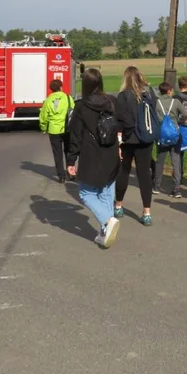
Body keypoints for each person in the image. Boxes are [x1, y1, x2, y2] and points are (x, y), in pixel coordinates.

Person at [65, 68, 121, 248]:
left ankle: (107, 221)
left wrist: (71, 160)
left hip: (91, 152)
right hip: (111, 150)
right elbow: (121, 125)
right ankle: (105, 232)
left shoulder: (81, 106)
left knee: (85, 193)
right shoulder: (112, 101)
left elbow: (75, 136)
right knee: (105, 191)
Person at [114, 66, 157, 226]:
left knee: (124, 171)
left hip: (128, 139)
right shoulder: (149, 94)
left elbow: (119, 120)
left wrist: (119, 140)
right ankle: (147, 212)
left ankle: (118, 205)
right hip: (146, 139)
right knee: (144, 174)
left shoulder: (123, 96)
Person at [153, 82, 187, 198]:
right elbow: (185, 114)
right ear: (169, 91)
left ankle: (157, 186)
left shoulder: (156, 103)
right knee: (176, 160)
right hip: (175, 134)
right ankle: (177, 188)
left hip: (161, 135)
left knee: (160, 160)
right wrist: (178, 121)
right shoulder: (176, 102)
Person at [38, 79, 74, 183]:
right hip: (67, 128)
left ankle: (61, 176)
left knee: (57, 153)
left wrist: (43, 128)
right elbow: (73, 111)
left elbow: (43, 117)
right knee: (68, 151)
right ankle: (70, 172)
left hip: (54, 130)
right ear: (61, 87)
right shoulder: (68, 98)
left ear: (51, 89)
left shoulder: (48, 100)